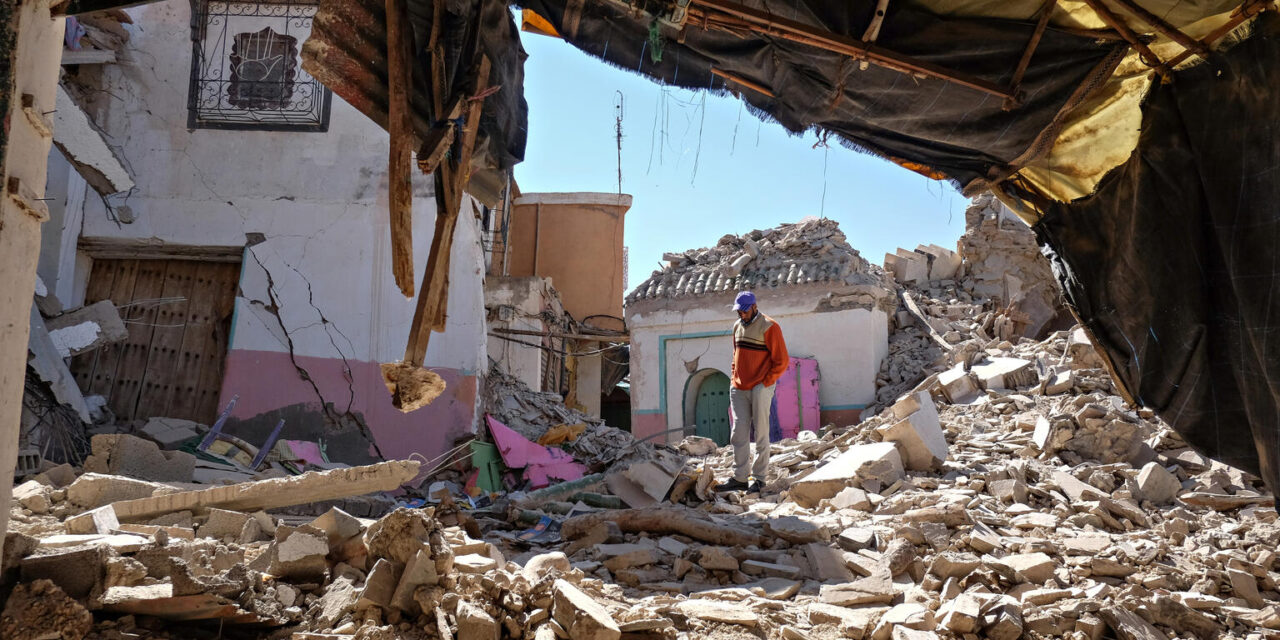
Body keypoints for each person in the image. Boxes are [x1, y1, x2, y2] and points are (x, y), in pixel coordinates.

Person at [715, 291, 789, 493]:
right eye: (739, 311)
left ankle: (759, 478)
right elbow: (735, 355)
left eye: (745, 310)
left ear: (754, 307)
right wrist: (733, 377)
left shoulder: (770, 326)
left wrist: (766, 382)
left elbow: (782, 360)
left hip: (760, 386)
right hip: (738, 387)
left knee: (761, 431)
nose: (742, 314)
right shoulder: (737, 327)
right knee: (738, 432)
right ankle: (739, 477)